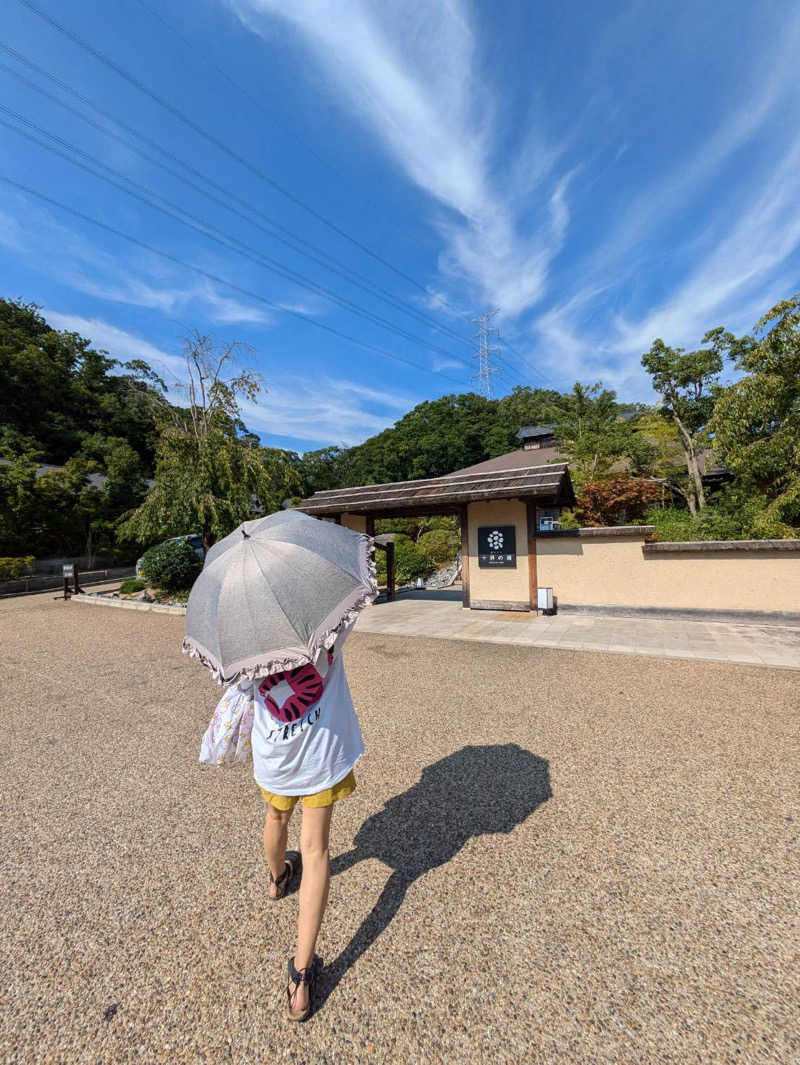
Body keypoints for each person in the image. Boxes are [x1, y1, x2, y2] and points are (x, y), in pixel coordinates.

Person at [241, 622, 362, 1021]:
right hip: (319, 753)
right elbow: (356, 603)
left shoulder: (244, 637)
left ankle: (277, 880)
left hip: (275, 756)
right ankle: (301, 976)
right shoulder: (327, 626)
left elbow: (239, 689)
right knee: (315, 850)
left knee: (275, 818)